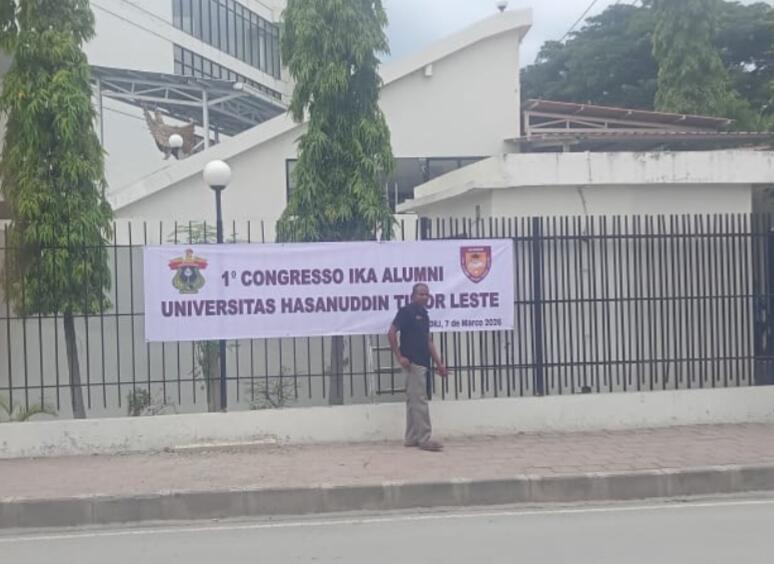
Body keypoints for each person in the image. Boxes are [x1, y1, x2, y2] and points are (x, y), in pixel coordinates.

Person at [387, 283, 448, 452]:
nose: (424, 297)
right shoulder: (406, 312)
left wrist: (439, 364)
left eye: (427, 294)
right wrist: (400, 356)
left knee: (413, 401)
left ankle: (412, 437)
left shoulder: (424, 315)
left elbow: (428, 341)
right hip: (412, 363)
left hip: (423, 362)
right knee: (420, 401)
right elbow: (391, 333)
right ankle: (424, 439)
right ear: (413, 296)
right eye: (421, 294)